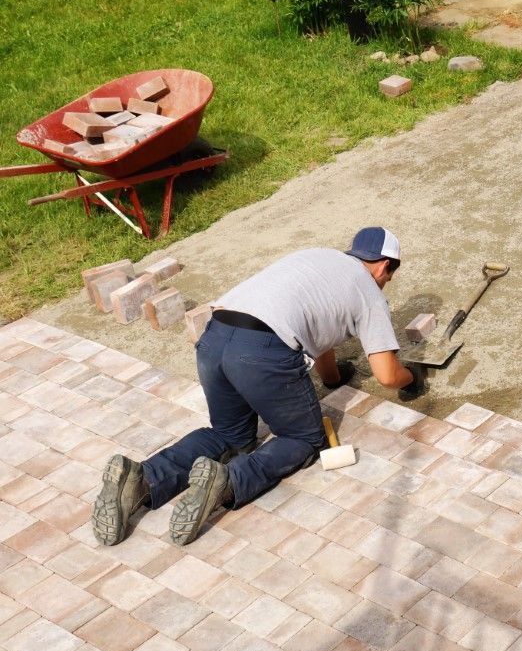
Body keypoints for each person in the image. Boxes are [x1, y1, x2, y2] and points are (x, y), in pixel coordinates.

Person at [91, 226, 426, 547]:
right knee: (304, 438)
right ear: (383, 266)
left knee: (229, 435)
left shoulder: (318, 259)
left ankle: (144, 478)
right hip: (260, 351)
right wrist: (412, 377)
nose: (385, 284)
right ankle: (228, 481)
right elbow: (387, 376)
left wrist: (334, 378)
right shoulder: (368, 291)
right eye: (388, 276)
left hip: (215, 336)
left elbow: (319, 333)